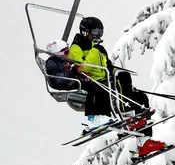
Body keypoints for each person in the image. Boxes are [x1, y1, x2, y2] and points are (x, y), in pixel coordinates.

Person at [68, 16, 166, 157]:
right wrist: (95, 50)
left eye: (100, 32)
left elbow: (108, 66)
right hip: (94, 83)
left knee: (140, 97)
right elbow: (82, 68)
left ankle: (144, 143)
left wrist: (119, 73)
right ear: (85, 32)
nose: (98, 36)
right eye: (95, 32)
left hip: (108, 81)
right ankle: (126, 115)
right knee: (119, 83)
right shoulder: (77, 47)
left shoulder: (98, 48)